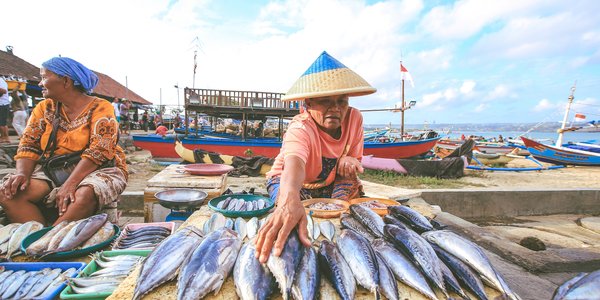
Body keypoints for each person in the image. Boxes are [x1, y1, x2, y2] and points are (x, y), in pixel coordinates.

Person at [255, 51, 375, 263]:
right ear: (308, 104)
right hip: (289, 181)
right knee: (291, 213)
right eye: (325, 101)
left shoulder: (354, 118)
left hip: (328, 181)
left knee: (340, 211)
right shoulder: (300, 127)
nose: (335, 108)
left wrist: (350, 160)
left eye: (341, 101)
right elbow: (295, 163)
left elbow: (357, 161)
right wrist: (290, 196)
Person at [0, 57, 128, 226]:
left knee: (83, 195)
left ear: (66, 81)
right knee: (9, 193)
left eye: (44, 77)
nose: (40, 83)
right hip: (53, 168)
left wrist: (70, 184)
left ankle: (50, 242)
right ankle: (38, 239)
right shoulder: (45, 108)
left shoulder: (100, 107)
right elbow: (28, 144)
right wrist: (22, 174)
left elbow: (100, 150)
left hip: (98, 167)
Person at [0, 77, 10, 143]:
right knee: (3, 123)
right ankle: (5, 138)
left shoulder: (1, 80)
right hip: (2, 104)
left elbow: (4, 91)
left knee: (2, 123)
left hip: (3, 104)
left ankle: (4, 137)